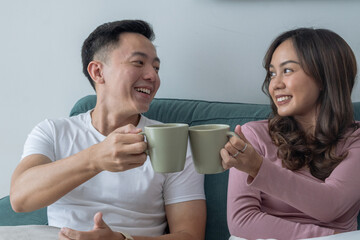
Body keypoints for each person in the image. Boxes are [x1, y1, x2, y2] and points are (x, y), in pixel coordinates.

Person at [10, 20, 206, 240]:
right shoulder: (53, 131)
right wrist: (95, 158)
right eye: (139, 62)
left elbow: (190, 235)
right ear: (98, 71)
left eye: (156, 68)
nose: (153, 76)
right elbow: (20, 199)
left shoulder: (173, 140)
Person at [220, 28, 360, 240]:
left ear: (324, 76)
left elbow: (330, 204)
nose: (275, 84)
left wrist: (258, 168)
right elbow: (242, 220)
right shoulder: (253, 135)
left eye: (287, 71)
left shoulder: (355, 140)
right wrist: (329, 235)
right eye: (272, 73)